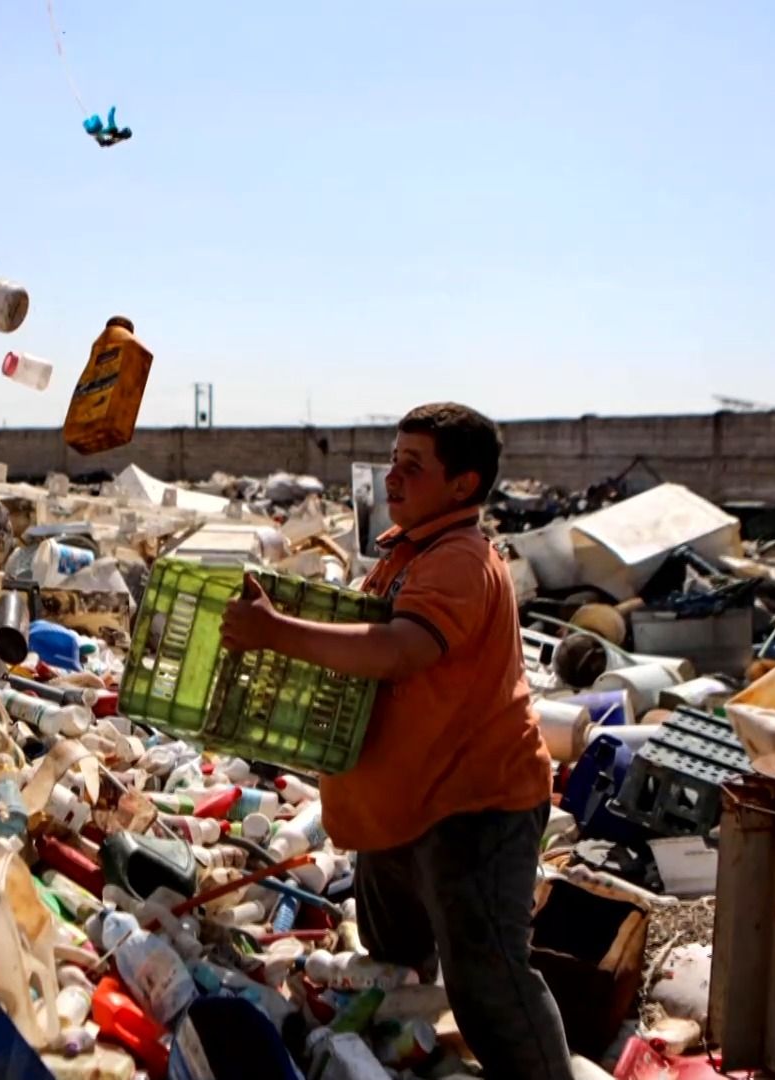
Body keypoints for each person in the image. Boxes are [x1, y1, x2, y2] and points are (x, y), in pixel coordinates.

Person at [220, 402, 570, 1079]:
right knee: (392, 960)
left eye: (413, 465)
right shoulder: (409, 555)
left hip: (472, 807)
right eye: (392, 461)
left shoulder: (460, 560)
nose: (392, 478)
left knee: (490, 984)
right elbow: (362, 648)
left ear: (464, 484)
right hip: (405, 807)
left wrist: (277, 633)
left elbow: (400, 649)